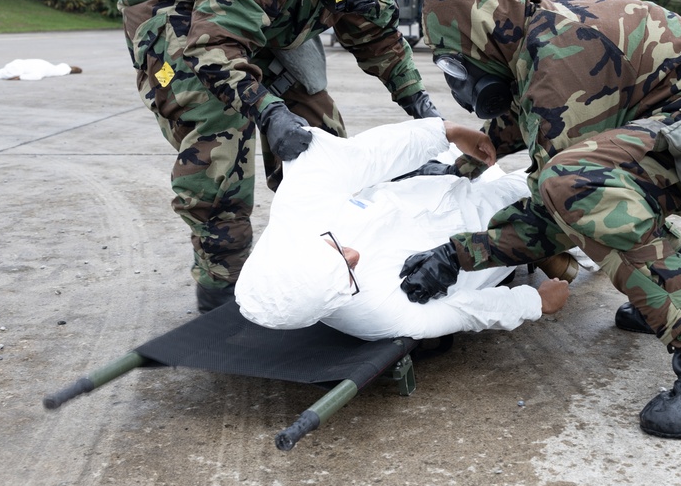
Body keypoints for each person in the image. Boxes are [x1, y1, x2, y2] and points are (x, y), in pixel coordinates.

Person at [400, 0, 681, 438]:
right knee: (597, 176)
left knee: (577, 186)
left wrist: (459, 254)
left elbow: (559, 212)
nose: (458, 79)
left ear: (479, 32)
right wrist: (463, 163)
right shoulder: (529, 28)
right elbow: (522, 117)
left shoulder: (559, 53)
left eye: (455, 61)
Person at [116, 0, 442, 313]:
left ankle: (318, 256)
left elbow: (378, 37)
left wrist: (421, 107)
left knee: (320, 134)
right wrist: (268, 110)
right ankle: (221, 281)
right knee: (220, 124)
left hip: (262, 9)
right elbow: (215, 49)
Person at [234, 117, 570, 339]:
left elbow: (368, 155)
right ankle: (556, 256)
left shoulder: (299, 206)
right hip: (484, 230)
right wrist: (534, 302)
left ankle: (553, 253)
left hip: (437, 187)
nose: (354, 255)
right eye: (349, 275)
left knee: (487, 145)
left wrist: (445, 131)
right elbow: (464, 311)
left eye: (335, 248)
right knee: (568, 192)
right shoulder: (375, 315)